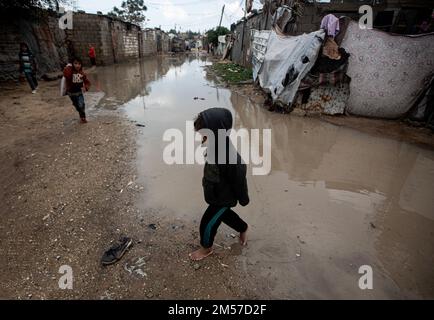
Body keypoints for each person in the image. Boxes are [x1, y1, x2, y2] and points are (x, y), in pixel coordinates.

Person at [189, 108, 249, 261]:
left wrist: (243, 199)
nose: (201, 135)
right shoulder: (215, 145)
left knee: (208, 223)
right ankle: (243, 228)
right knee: (225, 215)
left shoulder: (231, 157)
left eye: (204, 132)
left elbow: (240, 179)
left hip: (223, 197)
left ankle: (206, 249)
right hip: (216, 193)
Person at [63, 57, 91, 124]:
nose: (77, 65)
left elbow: (87, 82)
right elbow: (66, 75)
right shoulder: (69, 71)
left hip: (79, 93)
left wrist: (86, 88)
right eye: (75, 63)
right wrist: (68, 68)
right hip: (71, 93)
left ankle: (83, 118)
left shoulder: (82, 74)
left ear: (81, 65)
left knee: (81, 105)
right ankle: (80, 112)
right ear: (72, 64)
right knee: (77, 106)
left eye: (79, 64)